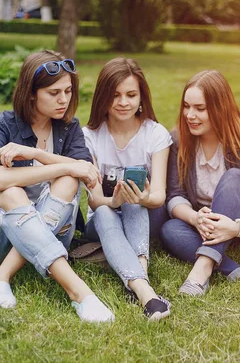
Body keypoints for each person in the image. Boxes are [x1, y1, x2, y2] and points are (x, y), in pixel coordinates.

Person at [0, 50, 115, 323]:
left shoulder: (68, 128)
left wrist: (37, 155)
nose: (64, 100)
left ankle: (1, 277)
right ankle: (79, 293)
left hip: (52, 228)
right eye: (54, 93)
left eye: (68, 91)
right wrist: (66, 165)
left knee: (67, 181)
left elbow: (86, 173)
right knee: (13, 191)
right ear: (30, 93)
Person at [160, 70, 240, 296]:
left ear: (220, 108)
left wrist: (238, 227)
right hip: (207, 226)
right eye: (187, 106)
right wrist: (195, 218)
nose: (190, 115)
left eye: (200, 109)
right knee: (170, 229)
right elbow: (175, 195)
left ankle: (201, 270)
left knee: (234, 177)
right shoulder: (179, 140)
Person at [82, 57, 172, 320]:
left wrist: (141, 197)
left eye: (131, 95)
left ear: (141, 97)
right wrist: (114, 201)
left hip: (141, 215)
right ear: (102, 98)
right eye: (115, 95)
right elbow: (95, 201)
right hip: (101, 220)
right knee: (107, 212)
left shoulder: (155, 134)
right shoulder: (90, 136)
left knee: (134, 202)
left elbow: (158, 196)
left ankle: (138, 284)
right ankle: (146, 292)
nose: (123, 102)